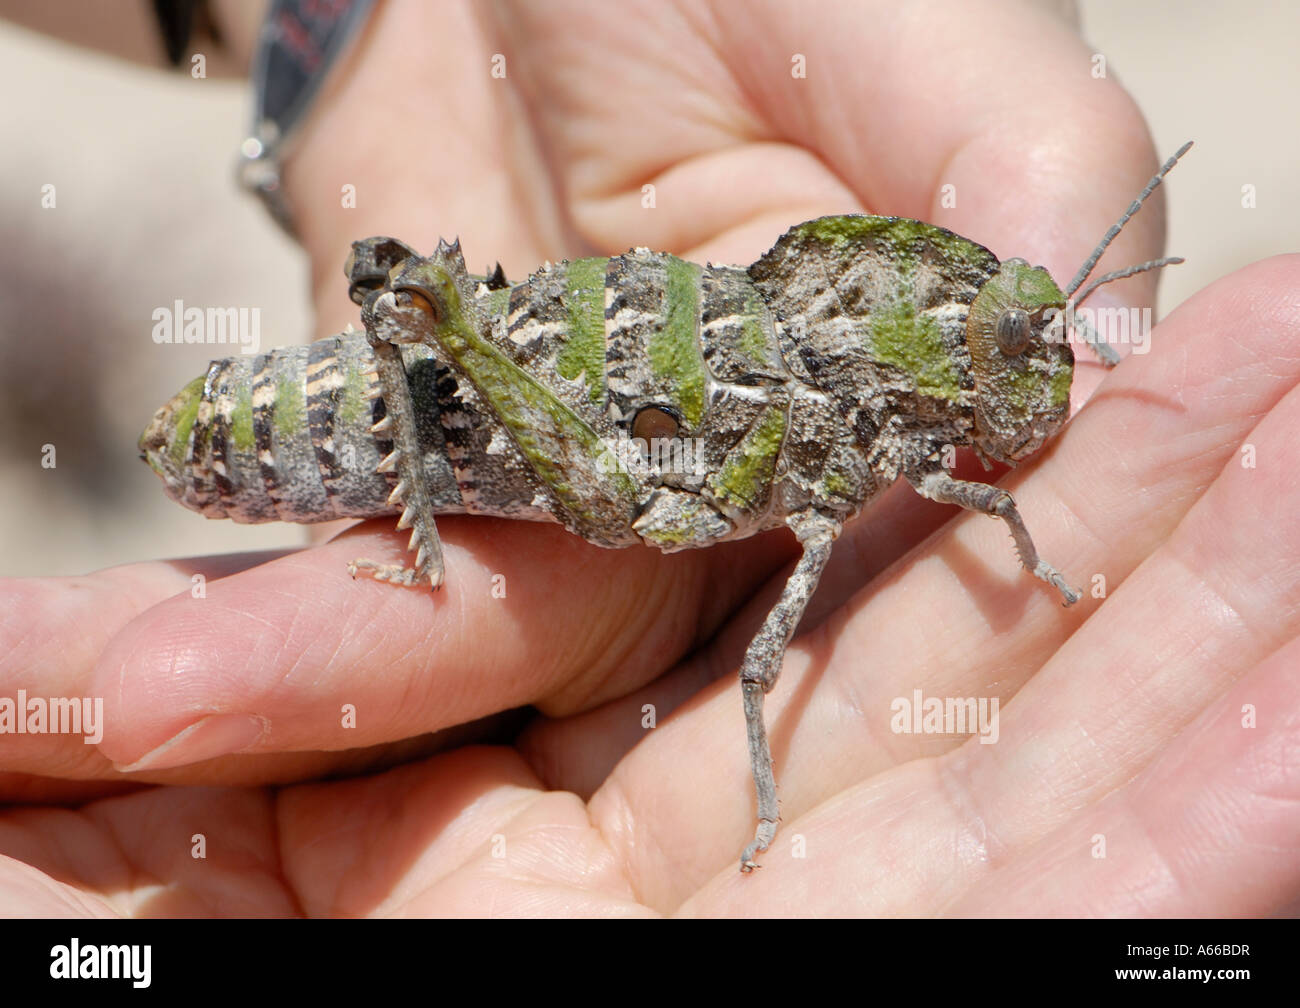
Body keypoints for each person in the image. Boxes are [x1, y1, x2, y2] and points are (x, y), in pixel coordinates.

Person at [2, 0, 1297, 916]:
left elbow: (958, 468)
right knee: (586, 461)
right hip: (386, 422)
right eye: (1011, 334)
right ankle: (424, 537)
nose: (1035, 359)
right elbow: (786, 595)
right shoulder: (832, 407)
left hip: (593, 374)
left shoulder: (872, 397)